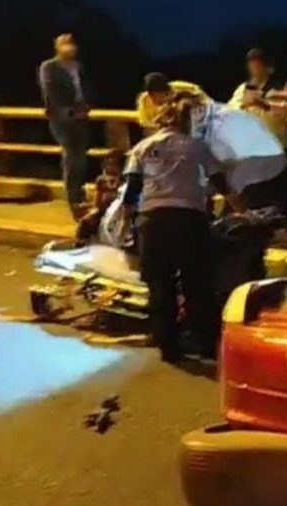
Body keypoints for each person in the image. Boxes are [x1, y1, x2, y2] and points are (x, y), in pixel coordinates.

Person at [121, 93, 243, 362]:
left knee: (160, 286)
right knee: (197, 285)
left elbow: (131, 194)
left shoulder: (143, 147)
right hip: (189, 221)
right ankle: (206, 344)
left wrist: (128, 227)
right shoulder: (198, 148)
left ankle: (168, 346)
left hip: (153, 222)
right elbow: (222, 185)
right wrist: (243, 211)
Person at [39, 33, 93, 220]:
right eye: (65, 44)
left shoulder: (79, 67)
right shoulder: (49, 67)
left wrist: (86, 106)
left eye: (72, 44)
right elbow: (50, 92)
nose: (70, 48)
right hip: (62, 118)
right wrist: (68, 111)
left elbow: (87, 88)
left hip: (81, 116)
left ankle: (79, 194)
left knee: (81, 156)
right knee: (71, 156)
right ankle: (73, 198)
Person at [228, 49, 287, 147]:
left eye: (257, 64)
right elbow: (230, 112)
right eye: (251, 64)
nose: (254, 68)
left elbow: (285, 112)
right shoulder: (243, 89)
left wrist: (261, 103)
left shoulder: (280, 88)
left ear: (268, 67)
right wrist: (244, 103)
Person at [74, 151, 123, 244]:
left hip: (118, 212)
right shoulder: (101, 180)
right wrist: (91, 208)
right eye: (108, 164)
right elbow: (97, 201)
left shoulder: (125, 179)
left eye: (113, 164)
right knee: (85, 222)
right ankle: (80, 244)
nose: (110, 167)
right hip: (102, 211)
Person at [136, 72, 203, 133]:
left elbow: (199, 93)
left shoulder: (180, 88)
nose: (164, 98)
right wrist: (161, 125)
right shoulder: (144, 99)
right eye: (151, 94)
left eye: (166, 94)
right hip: (161, 135)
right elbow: (144, 123)